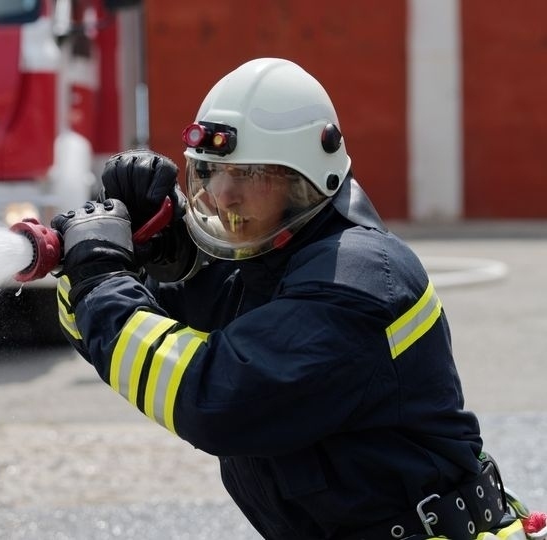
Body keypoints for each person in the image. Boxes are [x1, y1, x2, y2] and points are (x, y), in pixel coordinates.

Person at [48, 58, 532, 539]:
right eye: (212, 172)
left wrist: (101, 274)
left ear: (303, 183)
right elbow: (110, 338)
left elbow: (210, 396)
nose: (221, 195)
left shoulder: (355, 279)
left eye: (248, 174)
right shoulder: (263, 263)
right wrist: (150, 255)